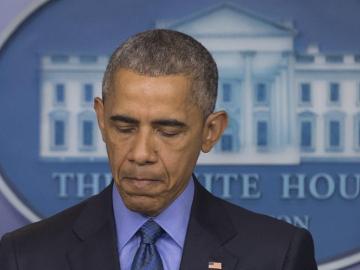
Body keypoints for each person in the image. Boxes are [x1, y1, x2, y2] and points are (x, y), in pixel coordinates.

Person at [0, 29, 317, 270]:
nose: (140, 153)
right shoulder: (26, 256)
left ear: (211, 132)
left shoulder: (278, 256)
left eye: (168, 131)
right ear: (101, 119)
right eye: (124, 128)